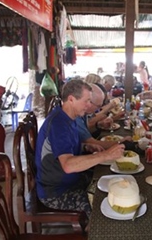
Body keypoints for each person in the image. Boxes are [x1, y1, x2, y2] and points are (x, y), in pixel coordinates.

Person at [35, 79, 125, 221]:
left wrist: (85, 147)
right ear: (71, 99)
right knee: (101, 207)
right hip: (56, 192)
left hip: (70, 181)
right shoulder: (58, 124)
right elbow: (68, 165)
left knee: (109, 184)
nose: (90, 106)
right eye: (87, 101)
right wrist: (105, 155)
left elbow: (62, 149)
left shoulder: (69, 118)